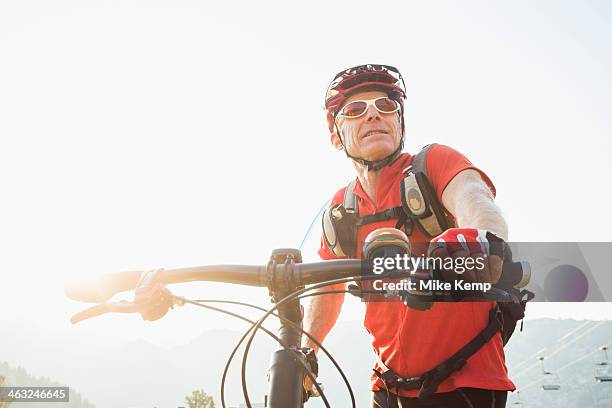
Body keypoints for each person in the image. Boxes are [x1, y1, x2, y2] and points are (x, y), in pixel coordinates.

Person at [302, 64, 514, 407]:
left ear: (400, 123)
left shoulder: (433, 164)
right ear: (335, 136)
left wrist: (482, 241)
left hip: (464, 382)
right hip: (388, 387)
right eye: (355, 111)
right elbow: (328, 287)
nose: (373, 116)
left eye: (386, 107)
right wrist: (305, 350)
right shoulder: (343, 209)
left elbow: (474, 198)